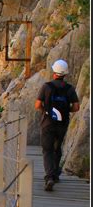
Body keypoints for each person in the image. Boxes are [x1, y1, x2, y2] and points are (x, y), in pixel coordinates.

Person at [35, 59, 80, 191]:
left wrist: (45, 109)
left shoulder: (46, 86)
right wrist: (66, 110)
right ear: (65, 74)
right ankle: (55, 174)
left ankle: (49, 177)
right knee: (57, 147)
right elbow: (76, 107)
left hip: (48, 123)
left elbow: (37, 105)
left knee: (47, 150)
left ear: (54, 72)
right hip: (62, 124)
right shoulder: (70, 89)